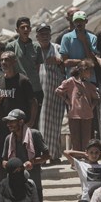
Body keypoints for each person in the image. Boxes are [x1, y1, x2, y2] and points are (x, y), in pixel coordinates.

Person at [34, 23, 66, 161]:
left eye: (47, 33)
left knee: (55, 124)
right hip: (40, 92)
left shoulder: (57, 48)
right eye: (42, 34)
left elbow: (66, 67)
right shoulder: (34, 50)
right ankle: (44, 155)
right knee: (42, 124)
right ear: (37, 36)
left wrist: (59, 62)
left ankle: (55, 154)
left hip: (56, 92)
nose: (45, 36)